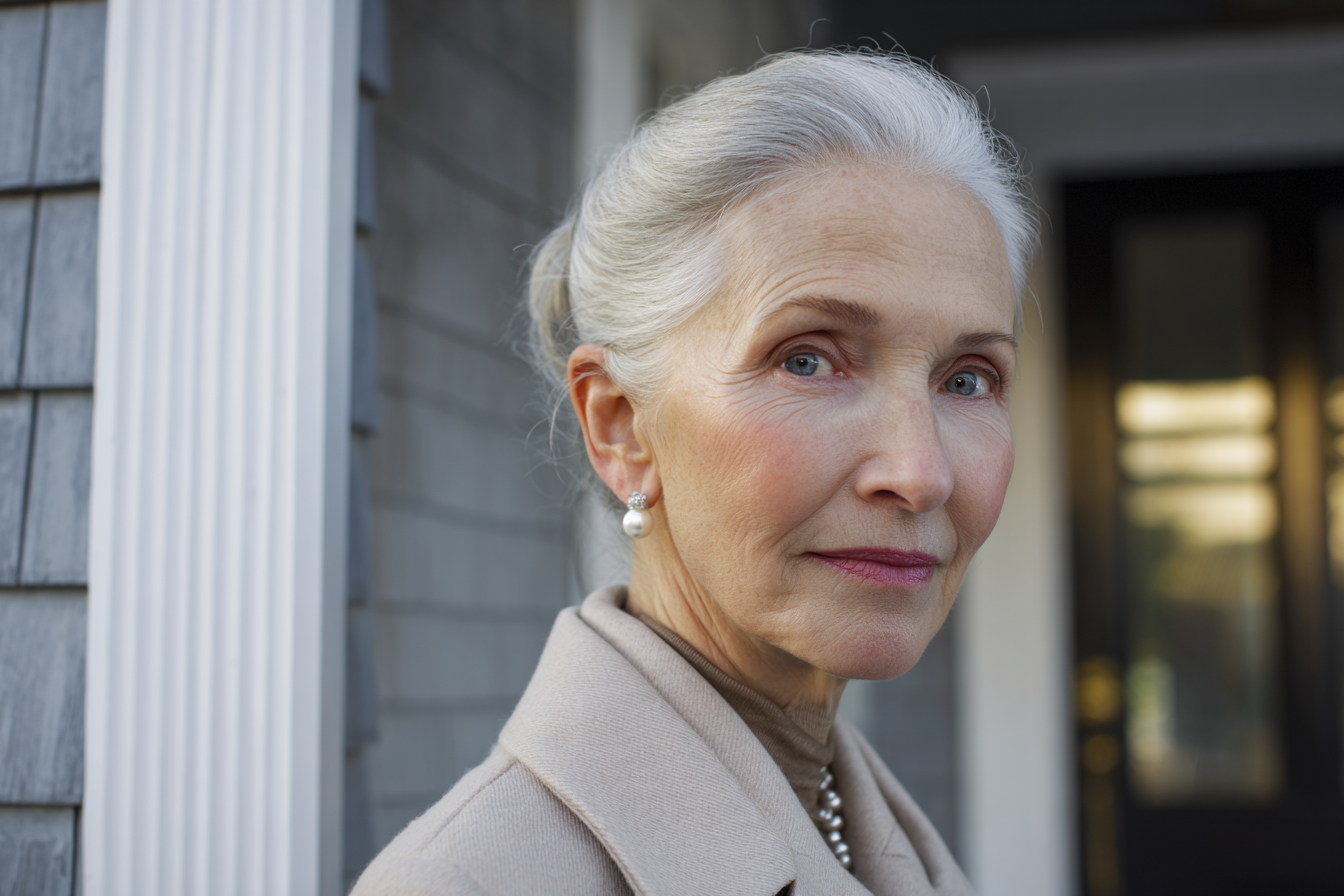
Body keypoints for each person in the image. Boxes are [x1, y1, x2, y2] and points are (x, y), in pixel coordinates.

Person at [353, 49, 1036, 896]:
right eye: (809, 361)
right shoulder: (473, 883)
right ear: (623, 426)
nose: (921, 471)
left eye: (967, 379)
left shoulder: (870, 830)